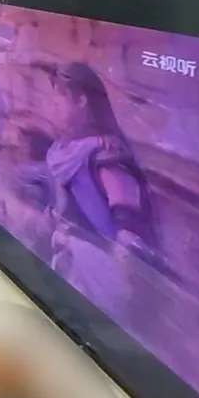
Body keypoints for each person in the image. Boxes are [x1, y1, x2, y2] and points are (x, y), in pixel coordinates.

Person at [41, 62, 160, 268]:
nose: (52, 103)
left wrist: (126, 247)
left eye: (59, 96)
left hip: (102, 266)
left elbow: (126, 217)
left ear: (81, 100)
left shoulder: (106, 153)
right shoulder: (60, 151)